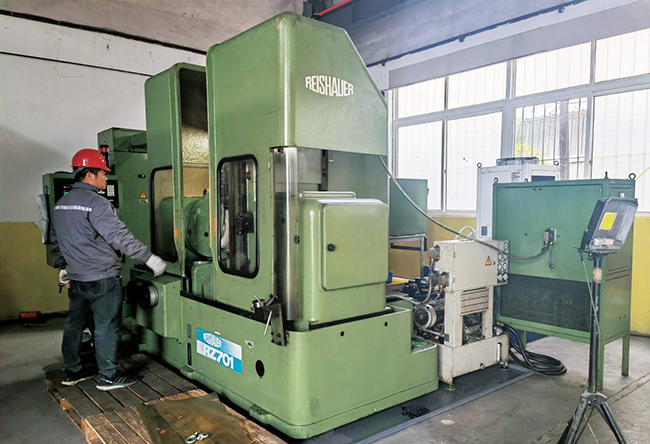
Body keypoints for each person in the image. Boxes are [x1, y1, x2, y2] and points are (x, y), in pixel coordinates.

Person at [51, 148, 167, 391]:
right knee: (106, 326)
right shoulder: (97, 203)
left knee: (74, 324)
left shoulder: (62, 204)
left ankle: (72, 371)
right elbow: (119, 236)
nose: (106, 178)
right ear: (89, 175)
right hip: (102, 277)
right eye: (103, 173)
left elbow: (55, 240)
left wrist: (63, 266)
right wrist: (149, 258)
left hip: (77, 277)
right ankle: (109, 376)